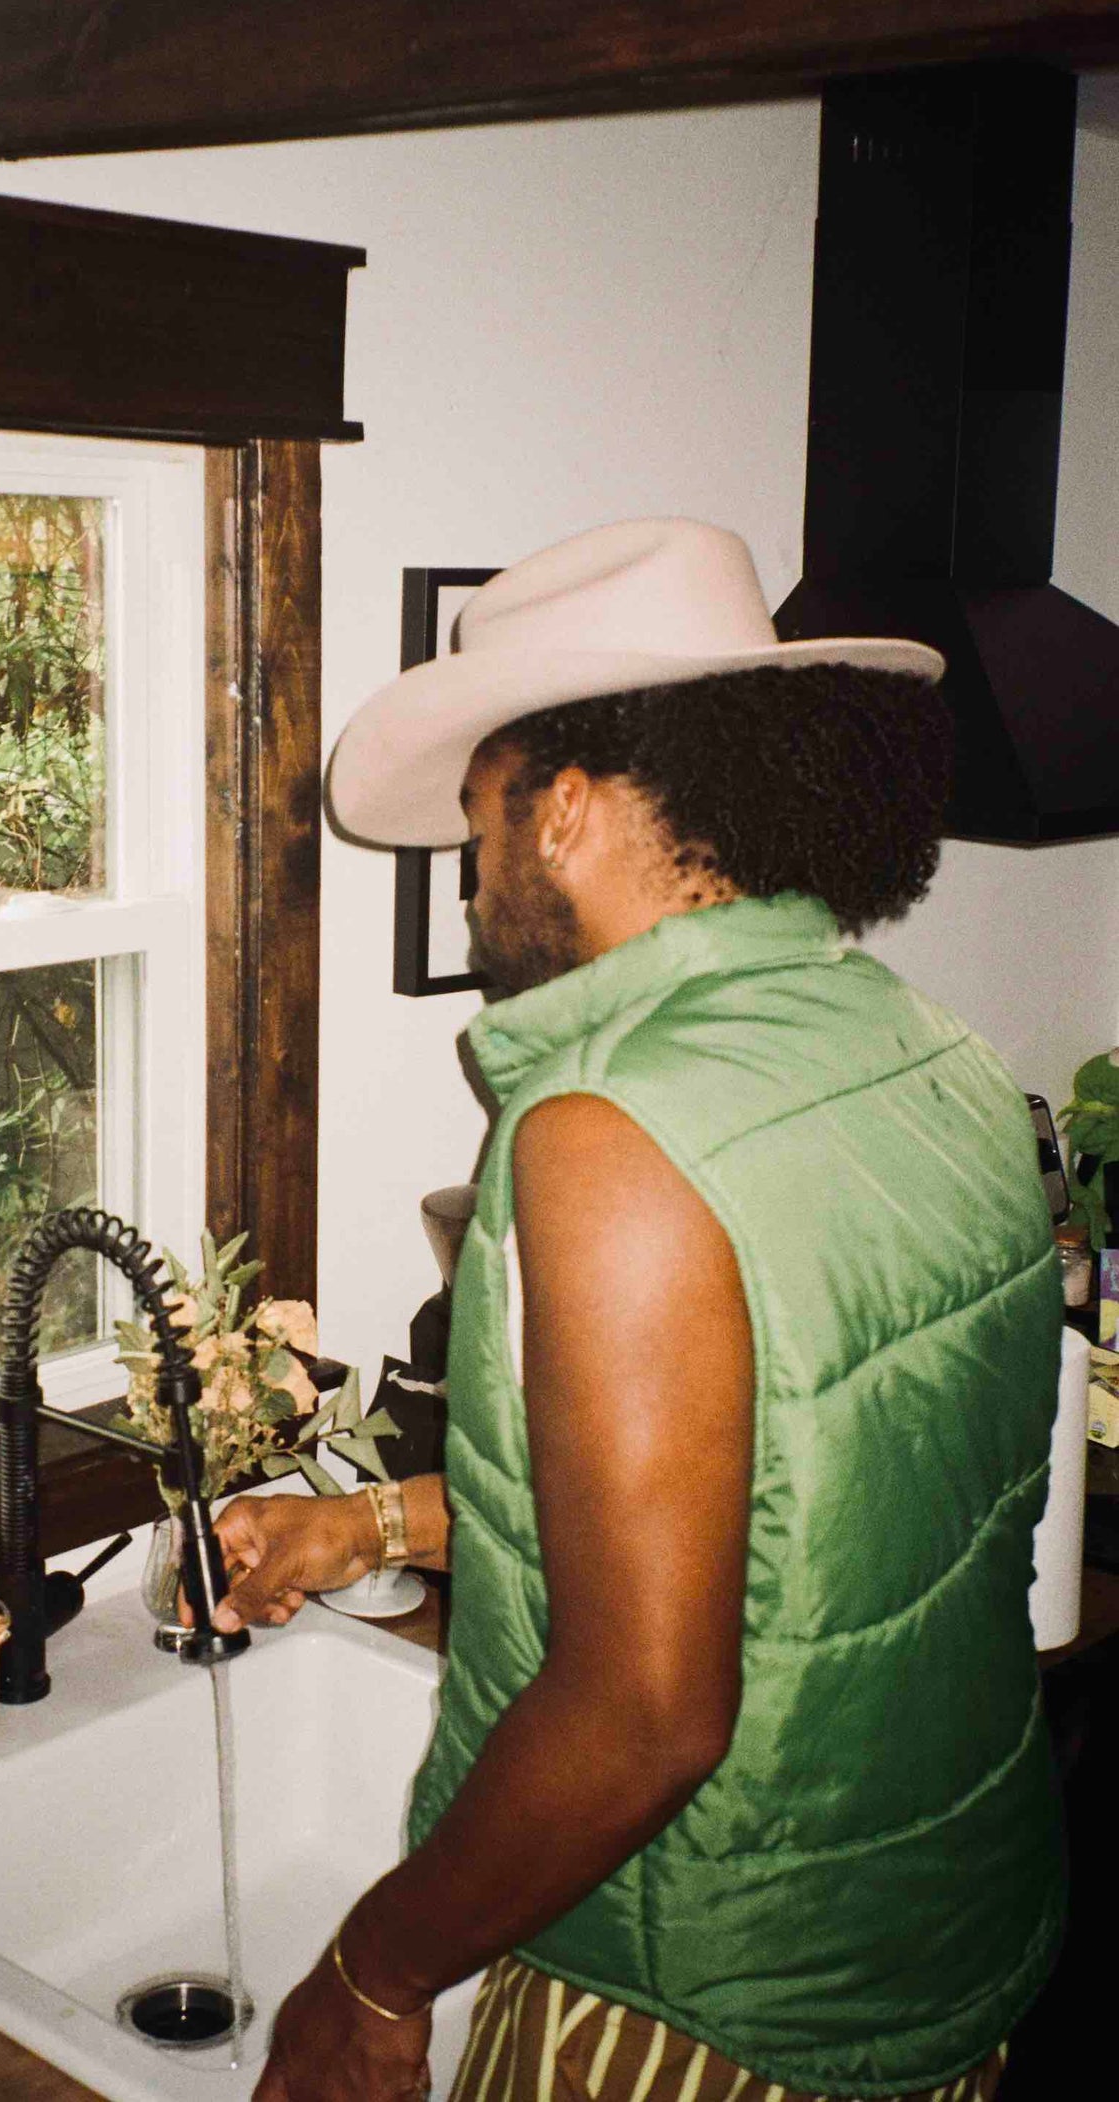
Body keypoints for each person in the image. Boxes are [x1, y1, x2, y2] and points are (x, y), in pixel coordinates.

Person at [215, 521, 1064, 2102]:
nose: (468, 895)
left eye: (477, 833)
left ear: (572, 811)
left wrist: (371, 1974)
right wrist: (380, 1526)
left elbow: (650, 1706)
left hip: (703, 1999)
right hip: (947, 1950)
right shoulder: (933, 1050)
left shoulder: (606, 1133)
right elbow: (783, 1518)